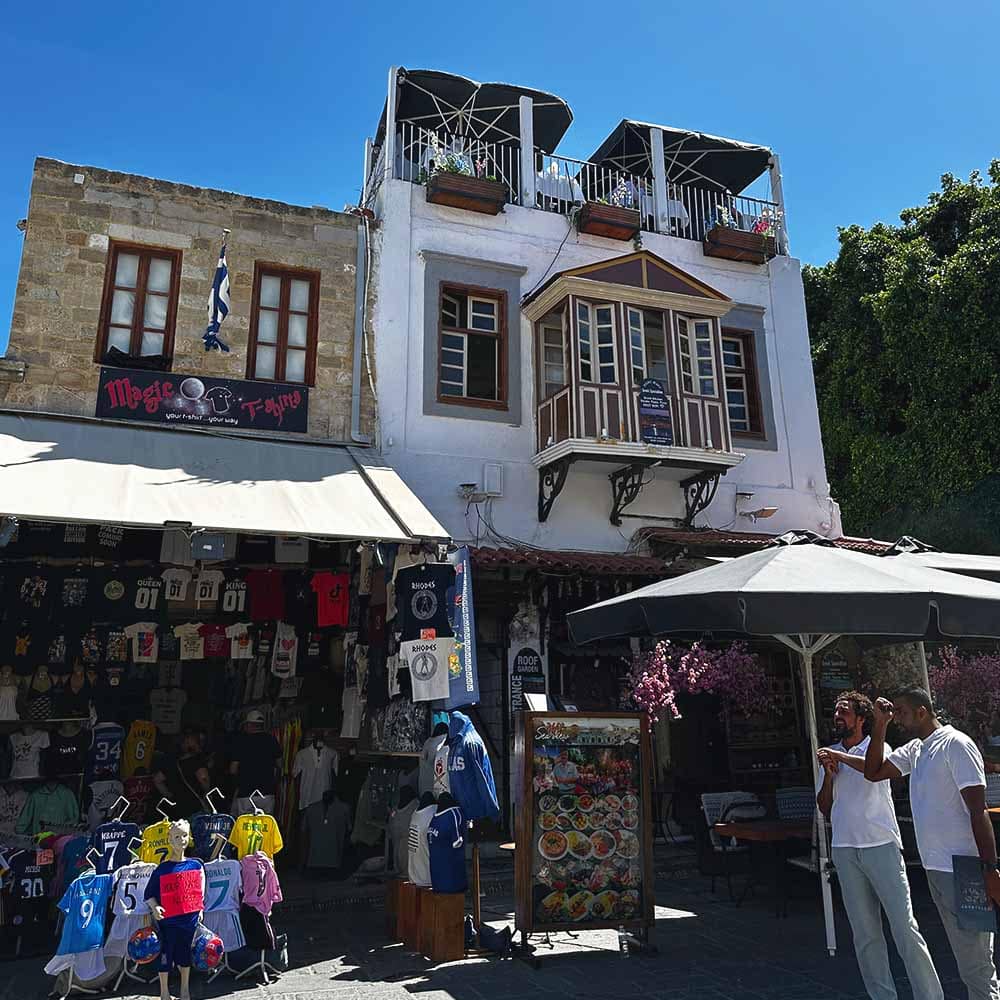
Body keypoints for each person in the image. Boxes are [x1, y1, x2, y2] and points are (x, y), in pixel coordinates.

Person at [846, 690, 1000, 1000]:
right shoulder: (917, 750)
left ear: (921, 711)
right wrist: (880, 725)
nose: (898, 718)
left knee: (976, 965)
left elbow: (977, 809)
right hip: (936, 868)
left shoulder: (956, 744)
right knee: (965, 960)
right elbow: (873, 772)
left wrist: (990, 869)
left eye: (901, 712)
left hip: (965, 868)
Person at [816, 692, 942, 1000]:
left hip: (881, 845)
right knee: (865, 935)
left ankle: (929, 996)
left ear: (861, 719)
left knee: (904, 929)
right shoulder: (829, 754)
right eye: (835, 712)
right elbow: (824, 807)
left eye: (844, 712)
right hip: (845, 848)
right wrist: (830, 776)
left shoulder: (877, 745)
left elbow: (873, 771)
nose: (837, 717)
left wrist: (843, 759)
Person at [229, 711, 282, 817]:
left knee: (245, 827)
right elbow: (280, 764)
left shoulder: (241, 741)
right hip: (267, 794)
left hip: (246, 794)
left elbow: (233, 769)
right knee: (265, 827)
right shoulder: (272, 740)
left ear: (249, 725)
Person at [153, 728, 212, 820]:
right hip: (196, 808)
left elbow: (157, 780)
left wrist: (169, 795)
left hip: (178, 809)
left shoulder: (171, 763)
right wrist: (206, 792)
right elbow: (203, 779)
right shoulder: (197, 762)